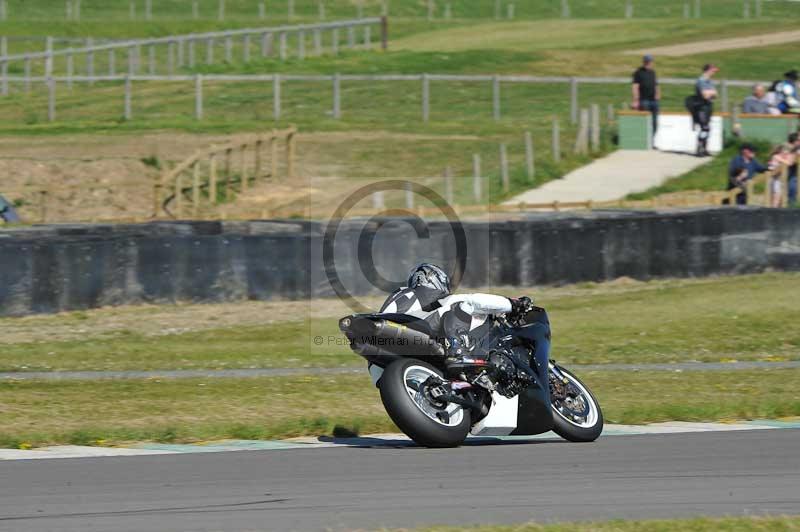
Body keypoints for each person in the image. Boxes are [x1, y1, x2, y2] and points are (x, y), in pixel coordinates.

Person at [379, 263, 531, 371]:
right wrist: (512, 304)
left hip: (386, 342)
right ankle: (458, 349)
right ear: (436, 280)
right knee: (464, 305)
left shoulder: (401, 295)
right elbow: (474, 301)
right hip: (412, 329)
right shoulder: (432, 297)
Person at [688, 64, 719, 157]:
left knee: (707, 128)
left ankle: (704, 148)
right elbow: (705, 95)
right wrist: (711, 93)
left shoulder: (710, 81)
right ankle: (699, 148)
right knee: (704, 128)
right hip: (701, 107)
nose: (714, 73)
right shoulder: (701, 81)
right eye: (713, 71)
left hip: (708, 106)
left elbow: (716, 95)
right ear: (708, 70)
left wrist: (710, 93)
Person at [632, 54, 660, 136]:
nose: (648, 63)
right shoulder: (638, 72)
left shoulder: (653, 72)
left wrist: (658, 94)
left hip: (654, 101)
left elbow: (656, 85)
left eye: (650, 61)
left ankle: (652, 140)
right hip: (644, 100)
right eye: (647, 61)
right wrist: (635, 100)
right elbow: (635, 87)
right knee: (645, 122)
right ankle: (644, 141)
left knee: (654, 122)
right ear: (643, 62)